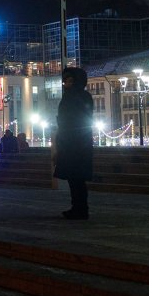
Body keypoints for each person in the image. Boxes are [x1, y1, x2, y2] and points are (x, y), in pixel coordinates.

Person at [54, 66, 94, 220]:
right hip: (70, 140)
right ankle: (77, 207)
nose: (66, 83)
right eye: (65, 80)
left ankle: (81, 209)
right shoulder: (70, 96)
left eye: (69, 80)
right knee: (73, 177)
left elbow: (78, 117)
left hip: (77, 142)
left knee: (77, 178)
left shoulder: (81, 96)